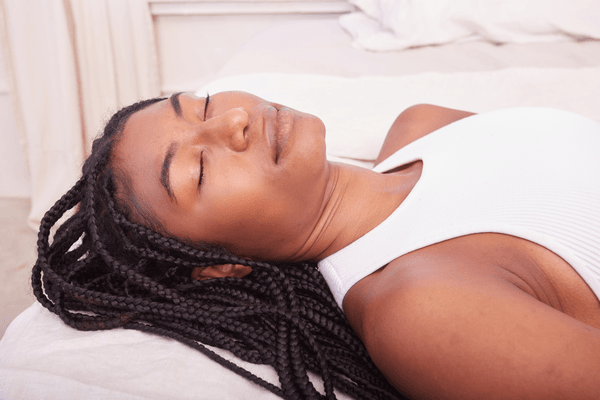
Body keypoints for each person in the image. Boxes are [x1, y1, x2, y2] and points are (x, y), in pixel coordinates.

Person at [33, 91, 600, 400]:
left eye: (204, 106)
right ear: (221, 267)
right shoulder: (422, 308)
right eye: (198, 169)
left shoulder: (421, 126)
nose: (234, 122)